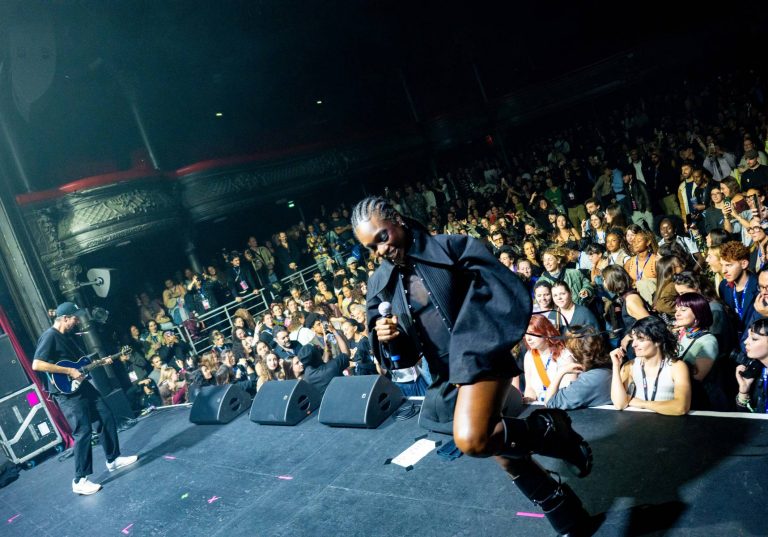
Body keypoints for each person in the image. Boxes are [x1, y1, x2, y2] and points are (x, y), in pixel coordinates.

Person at [352, 196, 595, 535]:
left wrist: (479, 339)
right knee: (503, 452)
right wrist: (386, 337)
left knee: (472, 439)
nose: (381, 250)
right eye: (371, 247)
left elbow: (504, 291)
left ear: (397, 220)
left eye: (382, 237)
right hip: (445, 376)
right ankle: (568, 514)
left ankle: (554, 430)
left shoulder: (451, 248)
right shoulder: (381, 283)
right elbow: (400, 355)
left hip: (481, 356)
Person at [31, 302, 138, 495]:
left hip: (80, 386)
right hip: (66, 392)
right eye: (74, 318)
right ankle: (79, 480)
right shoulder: (49, 336)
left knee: (105, 416)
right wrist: (68, 371)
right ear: (65, 318)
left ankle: (113, 459)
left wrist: (99, 362)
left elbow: (80, 365)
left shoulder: (68, 337)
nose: (77, 321)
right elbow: (37, 364)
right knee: (83, 431)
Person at [609, 316, 692, 416]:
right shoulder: (630, 366)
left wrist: (643, 404)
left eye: (640, 339)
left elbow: (681, 407)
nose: (633, 344)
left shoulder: (677, 367)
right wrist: (616, 366)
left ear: (658, 340)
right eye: (633, 339)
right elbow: (620, 404)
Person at [545, 325, 613, 410]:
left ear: (574, 354)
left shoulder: (585, 383)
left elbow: (550, 402)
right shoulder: (608, 371)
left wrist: (561, 372)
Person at [522, 315, 576, 403]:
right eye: (526, 334)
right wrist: (529, 399)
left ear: (546, 333)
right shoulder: (529, 355)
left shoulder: (564, 356)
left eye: (532, 334)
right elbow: (529, 387)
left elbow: (568, 394)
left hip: (559, 405)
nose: (528, 338)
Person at [735, 318, 768, 413]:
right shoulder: (759, 371)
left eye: (754, 338)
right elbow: (747, 417)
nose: (745, 342)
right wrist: (744, 392)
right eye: (748, 337)